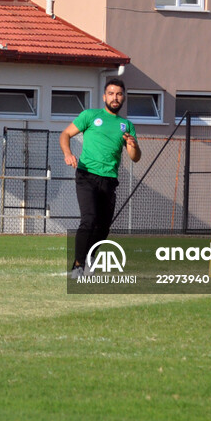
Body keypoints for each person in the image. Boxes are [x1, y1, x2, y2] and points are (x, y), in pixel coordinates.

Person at [60, 78, 141, 278]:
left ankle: (89, 258)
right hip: (86, 175)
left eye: (119, 94)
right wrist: (67, 153)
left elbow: (135, 158)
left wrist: (133, 144)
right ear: (105, 96)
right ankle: (78, 266)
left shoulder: (126, 125)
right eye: (111, 93)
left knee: (103, 225)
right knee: (89, 219)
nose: (115, 97)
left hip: (109, 180)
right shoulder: (90, 116)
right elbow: (65, 134)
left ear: (123, 98)